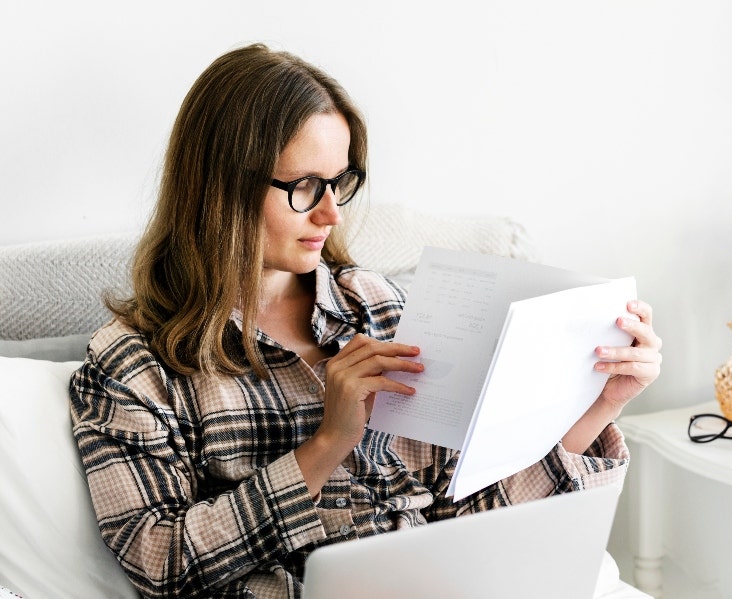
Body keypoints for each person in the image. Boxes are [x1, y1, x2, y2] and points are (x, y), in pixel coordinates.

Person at [69, 43, 662, 599]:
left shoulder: (380, 307)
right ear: (220, 187)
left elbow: (465, 512)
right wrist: (327, 445)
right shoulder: (134, 364)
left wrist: (600, 405)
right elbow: (161, 567)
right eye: (304, 185)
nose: (329, 212)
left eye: (340, 182)